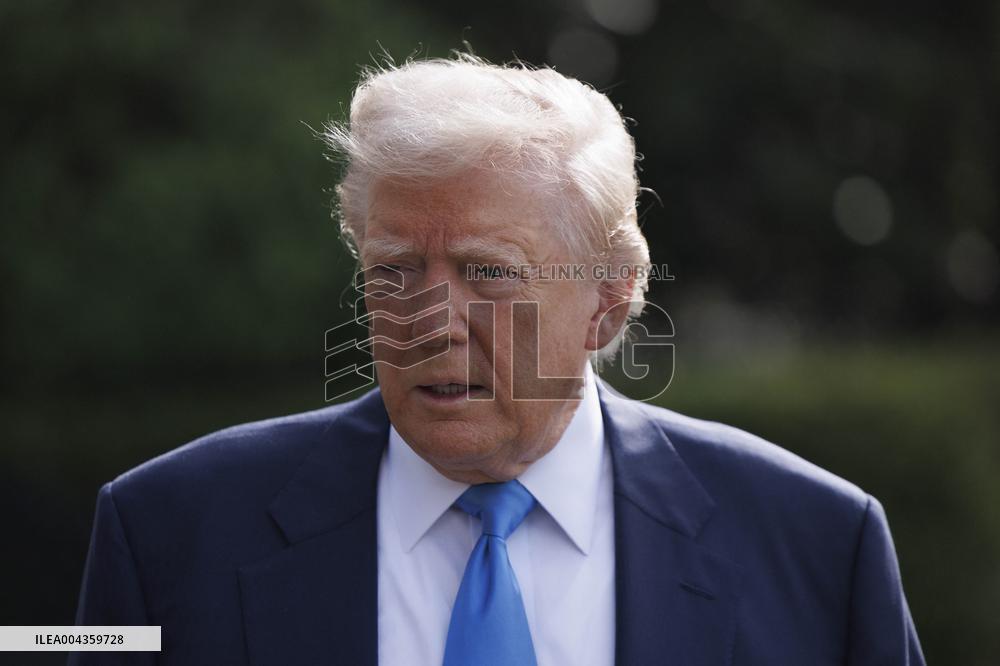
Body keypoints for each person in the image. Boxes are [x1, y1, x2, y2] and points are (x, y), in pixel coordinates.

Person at [72, 54, 924, 665]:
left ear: (611, 298)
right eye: (395, 273)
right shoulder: (168, 533)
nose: (430, 325)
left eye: (488, 274)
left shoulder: (817, 545)